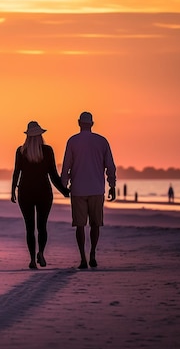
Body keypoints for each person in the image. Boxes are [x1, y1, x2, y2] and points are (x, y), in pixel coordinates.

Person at [61, 111, 116, 270]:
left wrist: (64, 186)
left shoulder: (72, 141)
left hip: (78, 189)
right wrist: (112, 185)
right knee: (95, 224)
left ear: (79, 123)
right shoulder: (102, 141)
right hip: (97, 189)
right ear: (92, 124)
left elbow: (66, 166)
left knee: (80, 225)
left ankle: (83, 258)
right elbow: (110, 166)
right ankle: (92, 253)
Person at [11, 121, 70, 270]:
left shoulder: (21, 151)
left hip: (25, 192)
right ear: (40, 135)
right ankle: (41, 253)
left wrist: (13, 191)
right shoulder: (47, 150)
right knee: (42, 226)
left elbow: (17, 172)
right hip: (44, 193)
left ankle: (32, 259)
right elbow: (53, 175)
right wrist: (65, 191)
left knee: (29, 227)